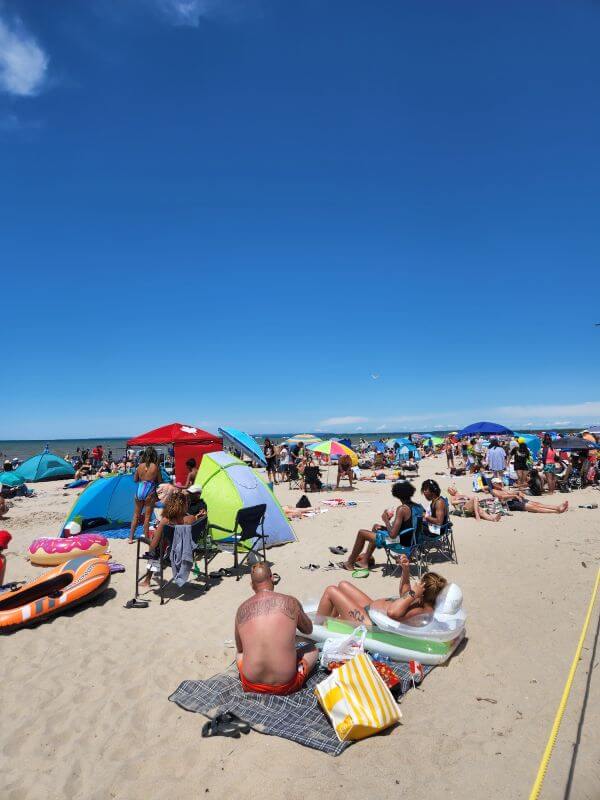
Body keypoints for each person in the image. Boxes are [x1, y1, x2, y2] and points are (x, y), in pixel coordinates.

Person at [235, 563, 318, 695]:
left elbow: (240, 649)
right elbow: (308, 630)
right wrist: (298, 610)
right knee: (312, 649)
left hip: (251, 685)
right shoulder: (290, 602)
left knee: (239, 654)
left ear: (252, 585)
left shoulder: (241, 609)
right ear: (273, 578)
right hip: (286, 686)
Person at [317, 555, 447, 625]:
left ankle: (317, 629)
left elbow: (392, 612)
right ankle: (331, 621)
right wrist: (406, 570)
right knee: (343, 584)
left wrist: (413, 593)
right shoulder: (422, 601)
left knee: (331, 590)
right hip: (371, 610)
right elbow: (404, 595)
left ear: (423, 591)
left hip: (368, 622)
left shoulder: (422, 611)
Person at [341, 481, 423, 570]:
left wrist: (386, 520)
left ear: (398, 494)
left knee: (362, 533)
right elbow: (408, 526)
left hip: (400, 544)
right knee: (376, 526)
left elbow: (392, 535)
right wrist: (385, 526)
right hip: (412, 543)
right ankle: (364, 561)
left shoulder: (402, 509)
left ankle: (350, 563)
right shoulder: (418, 507)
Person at [128, 446, 161, 543]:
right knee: (147, 517)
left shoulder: (140, 466)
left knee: (136, 515)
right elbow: (159, 481)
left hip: (140, 489)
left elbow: (135, 480)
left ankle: (130, 538)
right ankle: (146, 538)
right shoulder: (156, 467)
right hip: (149, 490)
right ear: (154, 455)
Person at [489, 479, 568, 513]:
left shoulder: (503, 489)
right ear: (494, 484)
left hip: (514, 500)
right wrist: (514, 495)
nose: (500, 484)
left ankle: (557, 507)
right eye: (498, 483)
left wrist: (518, 493)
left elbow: (512, 492)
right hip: (508, 504)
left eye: (500, 482)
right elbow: (501, 497)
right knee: (534, 508)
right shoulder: (493, 491)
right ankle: (556, 511)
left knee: (537, 503)